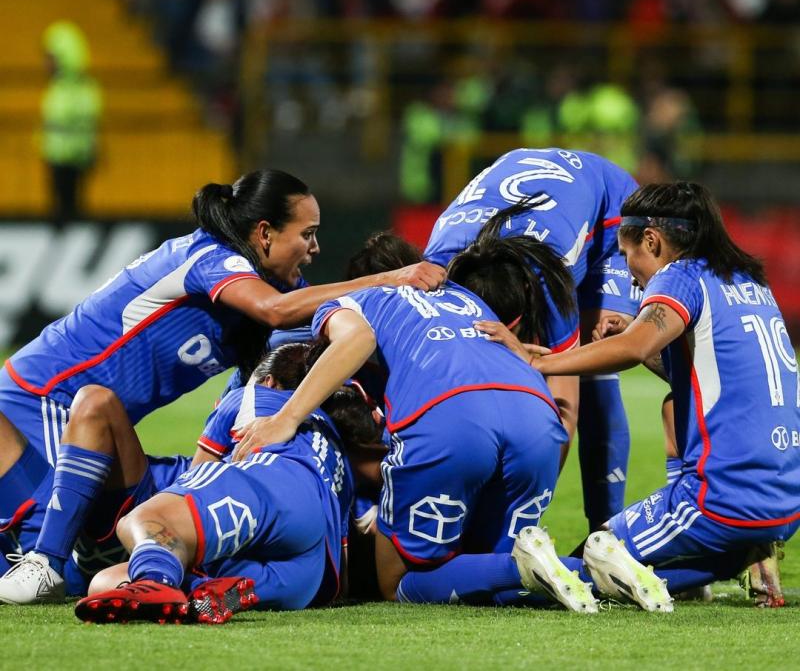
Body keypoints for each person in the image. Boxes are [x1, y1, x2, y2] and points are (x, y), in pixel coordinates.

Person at [0, 169, 443, 603]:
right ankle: (46, 561)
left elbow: (299, 358)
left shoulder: (276, 287)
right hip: (42, 399)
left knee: (80, 547)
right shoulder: (212, 258)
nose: (315, 248)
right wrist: (387, 279)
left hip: (93, 418)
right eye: (307, 234)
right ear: (264, 233)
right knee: (46, 558)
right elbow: (274, 311)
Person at [230, 218, 666, 612]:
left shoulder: (356, 299)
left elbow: (355, 341)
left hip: (451, 418)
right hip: (536, 414)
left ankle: (522, 569)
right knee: (484, 562)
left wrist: (285, 418)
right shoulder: (465, 297)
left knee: (396, 580)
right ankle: (593, 566)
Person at [506, 181, 800, 604]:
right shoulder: (748, 281)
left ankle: (727, 544)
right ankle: (742, 553)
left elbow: (634, 347)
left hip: (723, 497)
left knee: (585, 562)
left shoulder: (680, 275)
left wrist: (542, 361)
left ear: (652, 240)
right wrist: (640, 335)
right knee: (671, 405)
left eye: (628, 254)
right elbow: (709, 377)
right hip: (785, 497)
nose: (629, 270)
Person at [74, 349, 383, 624]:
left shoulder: (253, 396)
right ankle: (213, 595)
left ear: (269, 381)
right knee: (107, 582)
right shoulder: (333, 443)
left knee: (142, 521)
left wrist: (172, 524)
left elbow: (195, 477)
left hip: (272, 490)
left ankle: (156, 580)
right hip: (310, 573)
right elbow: (340, 579)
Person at [423, 147, 640, 530]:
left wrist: (521, 514)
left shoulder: (548, 279)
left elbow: (564, 407)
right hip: (541, 202)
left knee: (595, 365)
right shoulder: (435, 272)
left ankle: (607, 534)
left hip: (609, 213)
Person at [40, 21, 103, 223]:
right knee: (60, 211)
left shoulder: (82, 88)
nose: (46, 63)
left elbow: (85, 121)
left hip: (73, 161)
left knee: (71, 212)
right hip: (56, 159)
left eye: (50, 57)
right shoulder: (58, 86)